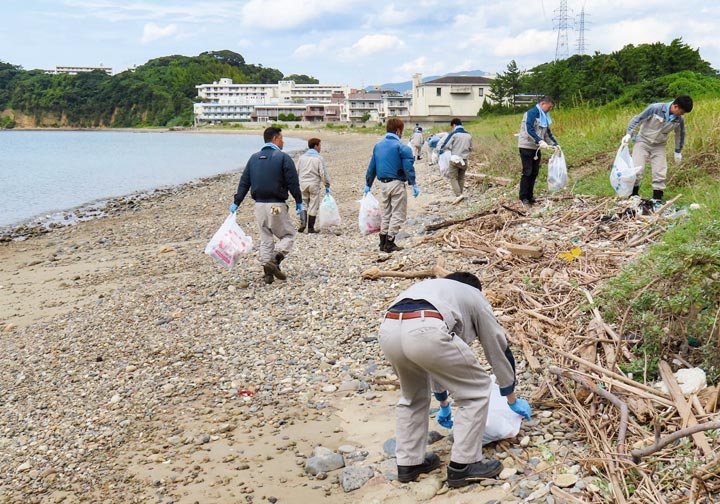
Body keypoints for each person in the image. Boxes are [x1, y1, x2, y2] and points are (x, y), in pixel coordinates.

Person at [378, 272, 532, 487]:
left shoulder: (431, 288)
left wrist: (443, 403)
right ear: (476, 289)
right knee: (476, 391)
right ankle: (464, 466)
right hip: (427, 327)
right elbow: (497, 346)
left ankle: (409, 464)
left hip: (389, 329)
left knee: (411, 397)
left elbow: (437, 363)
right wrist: (511, 396)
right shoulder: (474, 295)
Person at [230, 126, 303, 285]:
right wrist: (298, 201)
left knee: (266, 238)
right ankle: (276, 259)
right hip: (275, 205)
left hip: (259, 206)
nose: (283, 142)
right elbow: (293, 182)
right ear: (275, 139)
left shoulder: (254, 158)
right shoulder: (283, 158)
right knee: (288, 234)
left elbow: (244, 183)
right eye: (282, 138)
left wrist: (236, 202)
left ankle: (267, 273)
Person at [622, 94, 693, 202]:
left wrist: (678, 151)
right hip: (643, 141)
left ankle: (657, 197)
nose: (682, 114)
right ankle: (633, 194)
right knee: (637, 169)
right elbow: (637, 119)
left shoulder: (679, 119)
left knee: (660, 171)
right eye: (682, 112)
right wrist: (628, 134)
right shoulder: (655, 108)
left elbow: (680, 134)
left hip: (659, 145)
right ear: (676, 106)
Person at [364, 117, 419, 253]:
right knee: (398, 214)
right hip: (396, 183)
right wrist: (413, 183)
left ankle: (382, 241)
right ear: (398, 131)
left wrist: (368, 184)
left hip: (382, 184)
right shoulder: (401, 147)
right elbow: (408, 168)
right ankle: (389, 241)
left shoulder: (378, 146)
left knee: (387, 212)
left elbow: (372, 167)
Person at [517, 96, 559, 205]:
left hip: (536, 148)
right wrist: (539, 141)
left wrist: (555, 144)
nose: (550, 109)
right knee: (527, 172)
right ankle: (523, 197)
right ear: (542, 104)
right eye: (549, 107)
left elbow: (547, 133)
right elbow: (529, 130)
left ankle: (530, 195)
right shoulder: (531, 114)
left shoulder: (544, 117)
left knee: (535, 172)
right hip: (526, 146)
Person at [296, 137, 331, 234]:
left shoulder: (301, 158)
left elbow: (296, 172)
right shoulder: (319, 158)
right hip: (314, 184)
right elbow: (323, 174)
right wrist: (327, 185)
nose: (320, 148)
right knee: (313, 205)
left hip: (302, 183)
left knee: (303, 203)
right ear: (316, 146)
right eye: (320, 145)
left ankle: (303, 222)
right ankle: (310, 228)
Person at [439, 118, 472, 200]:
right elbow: (471, 148)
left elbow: (444, 145)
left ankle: (458, 195)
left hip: (455, 159)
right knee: (461, 177)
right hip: (464, 160)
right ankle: (461, 194)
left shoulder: (454, 134)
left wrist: (450, 148)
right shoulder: (468, 135)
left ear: (454, 125)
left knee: (453, 177)